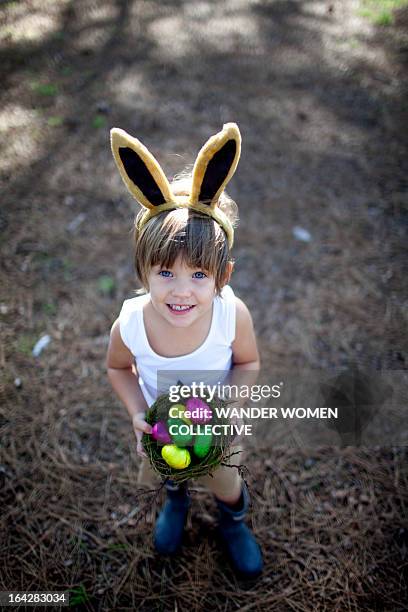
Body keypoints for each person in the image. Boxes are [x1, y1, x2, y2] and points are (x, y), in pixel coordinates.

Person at [106, 123, 263, 579]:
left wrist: (230, 407)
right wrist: (137, 412)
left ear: (223, 276)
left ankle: (232, 523)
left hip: (216, 426)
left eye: (198, 275)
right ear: (143, 272)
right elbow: (118, 368)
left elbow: (248, 362)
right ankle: (176, 502)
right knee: (171, 473)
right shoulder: (131, 322)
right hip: (163, 430)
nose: (181, 291)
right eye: (165, 273)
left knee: (226, 481)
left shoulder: (232, 316)